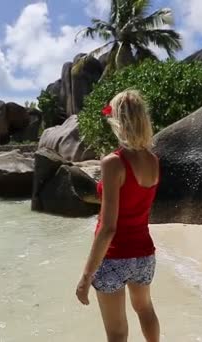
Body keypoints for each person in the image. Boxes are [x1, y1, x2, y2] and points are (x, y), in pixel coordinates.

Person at [76, 89, 160, 342]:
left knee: (116, 332)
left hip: (114, 256)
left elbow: (108, 227)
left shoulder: (113, 163)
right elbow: (136, 203)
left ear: (118, 121)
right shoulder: (153, 160)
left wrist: (86, 276)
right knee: (145, 309)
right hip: (144, 252)